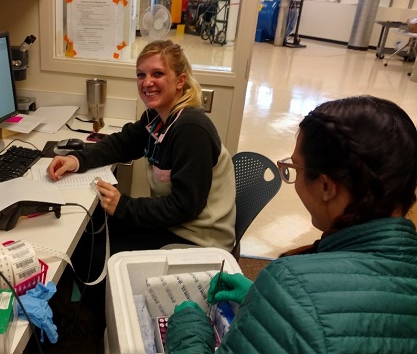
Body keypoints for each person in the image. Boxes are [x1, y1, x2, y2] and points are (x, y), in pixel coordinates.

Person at [166, 95, 417, 354]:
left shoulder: (292, 284)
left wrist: (189, 327)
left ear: (326, 186)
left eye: (295, 167)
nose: (293, 176)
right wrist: (267, 306)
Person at [47, 40, 236, 332]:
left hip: (197, 238)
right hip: (175, 223)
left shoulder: (191, 130)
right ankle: (90, 309)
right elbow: (123, 143)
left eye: (157, 74)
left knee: (97, 255)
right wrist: (77, 159)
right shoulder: (157, 118)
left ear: (180, 80)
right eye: (141, 75)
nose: (147, 82)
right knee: (92, 230)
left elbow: (185, 206)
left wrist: (125, 207)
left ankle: (105, 326)